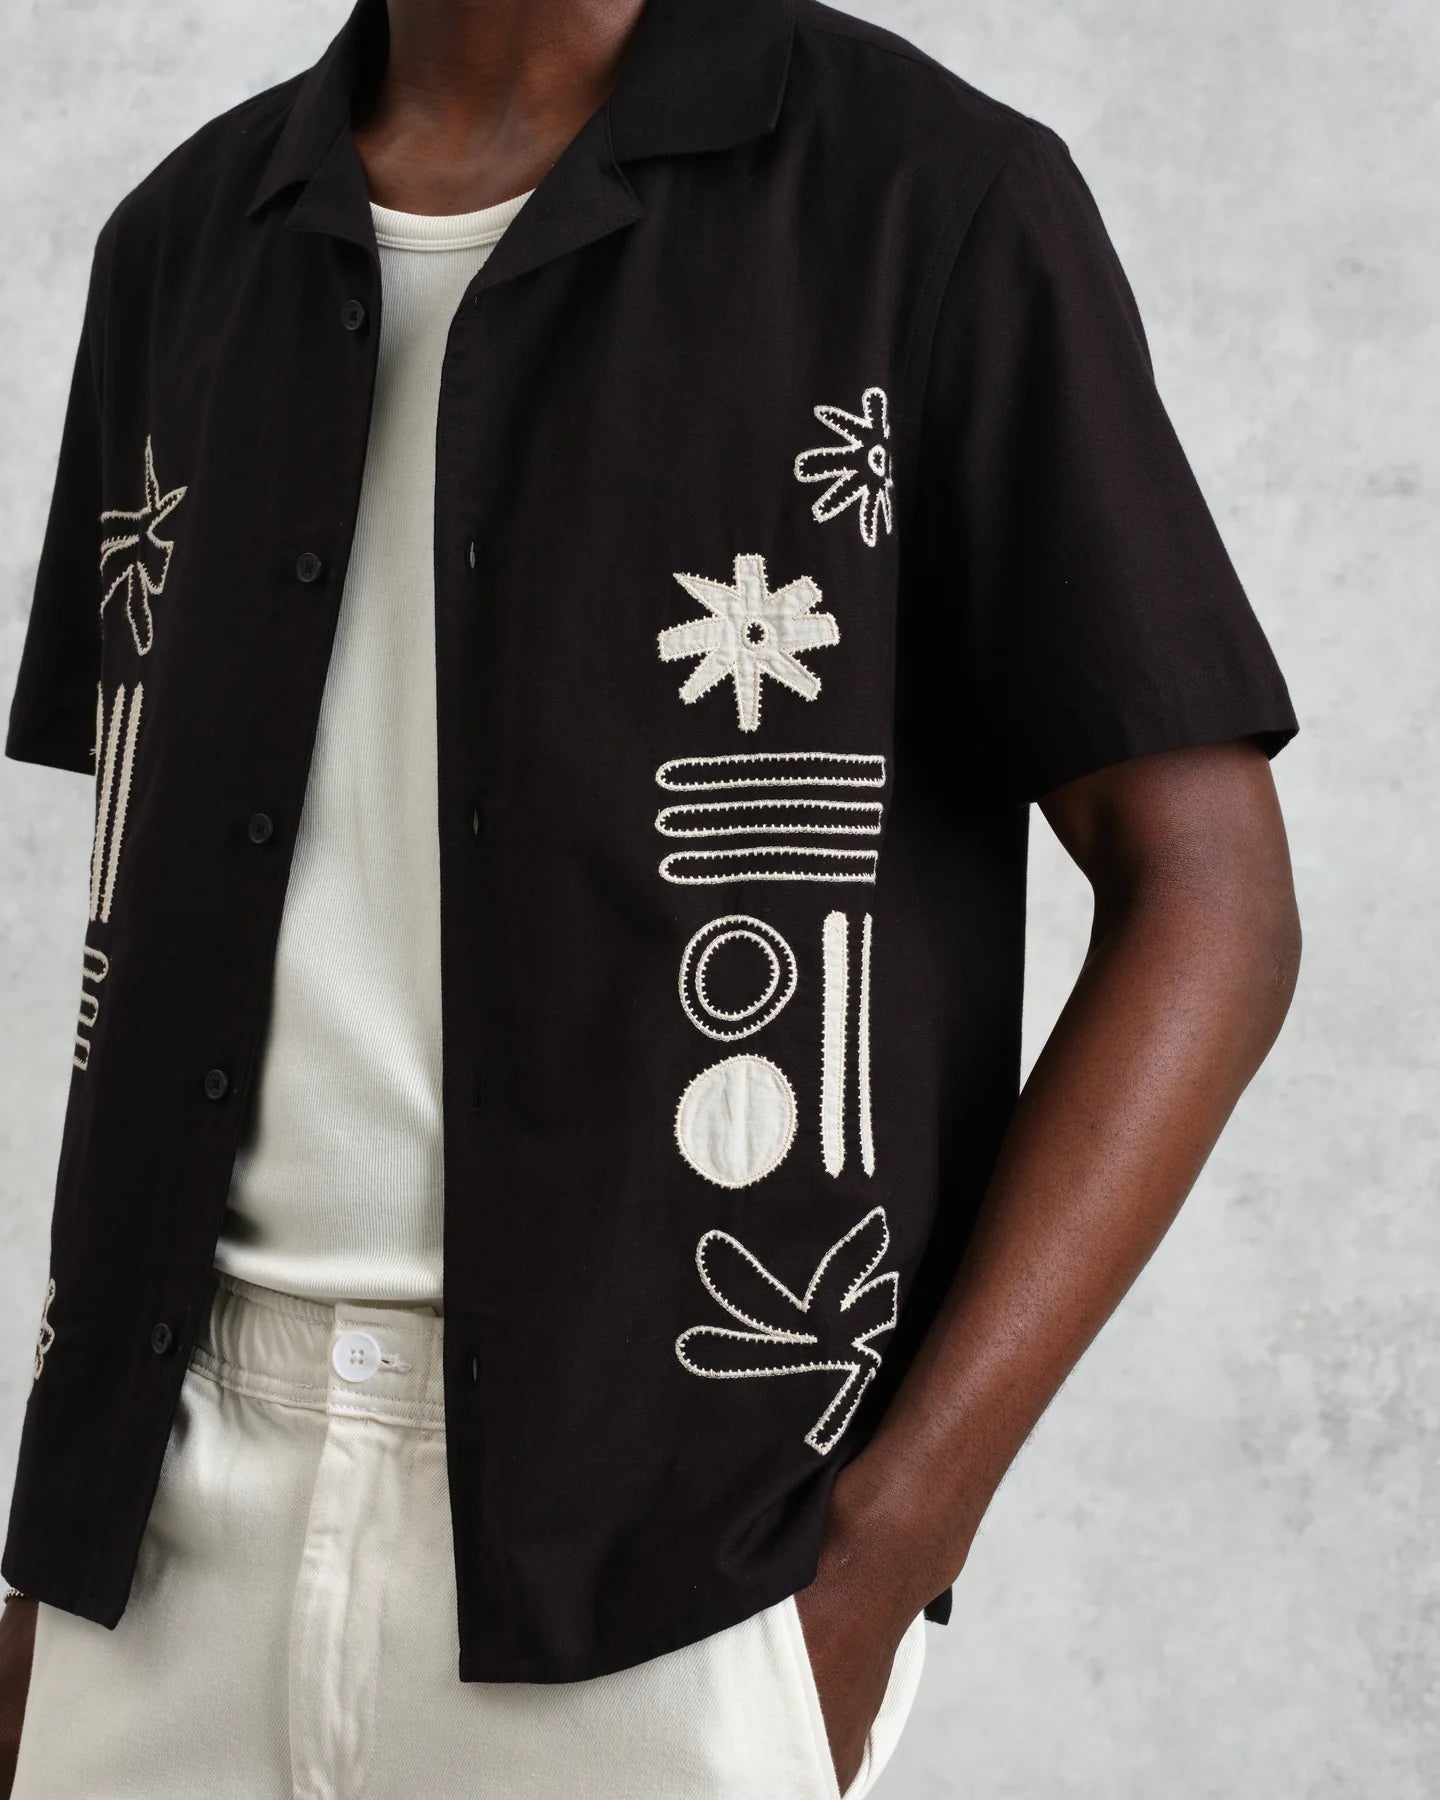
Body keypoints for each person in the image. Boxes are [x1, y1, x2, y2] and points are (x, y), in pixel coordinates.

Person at [0, 0, 1301, 1793]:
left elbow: (1215, 903)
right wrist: (57, 1557)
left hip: (672, 1565)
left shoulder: (927, 201)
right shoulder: (184, 241)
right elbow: (153, 903)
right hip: (160, 1528)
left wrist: (889, 1546)